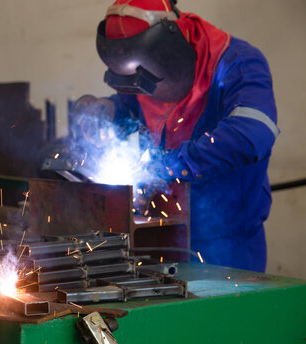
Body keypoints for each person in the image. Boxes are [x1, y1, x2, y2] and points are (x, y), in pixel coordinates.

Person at [74, 0, 278, 271]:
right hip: (159, 237)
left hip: (227, 247)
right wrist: (109, 110)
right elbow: (139, 104)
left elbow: (252, 135)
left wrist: (171, 165)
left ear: (167, 46)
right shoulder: (149, 71)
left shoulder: (238, 64)